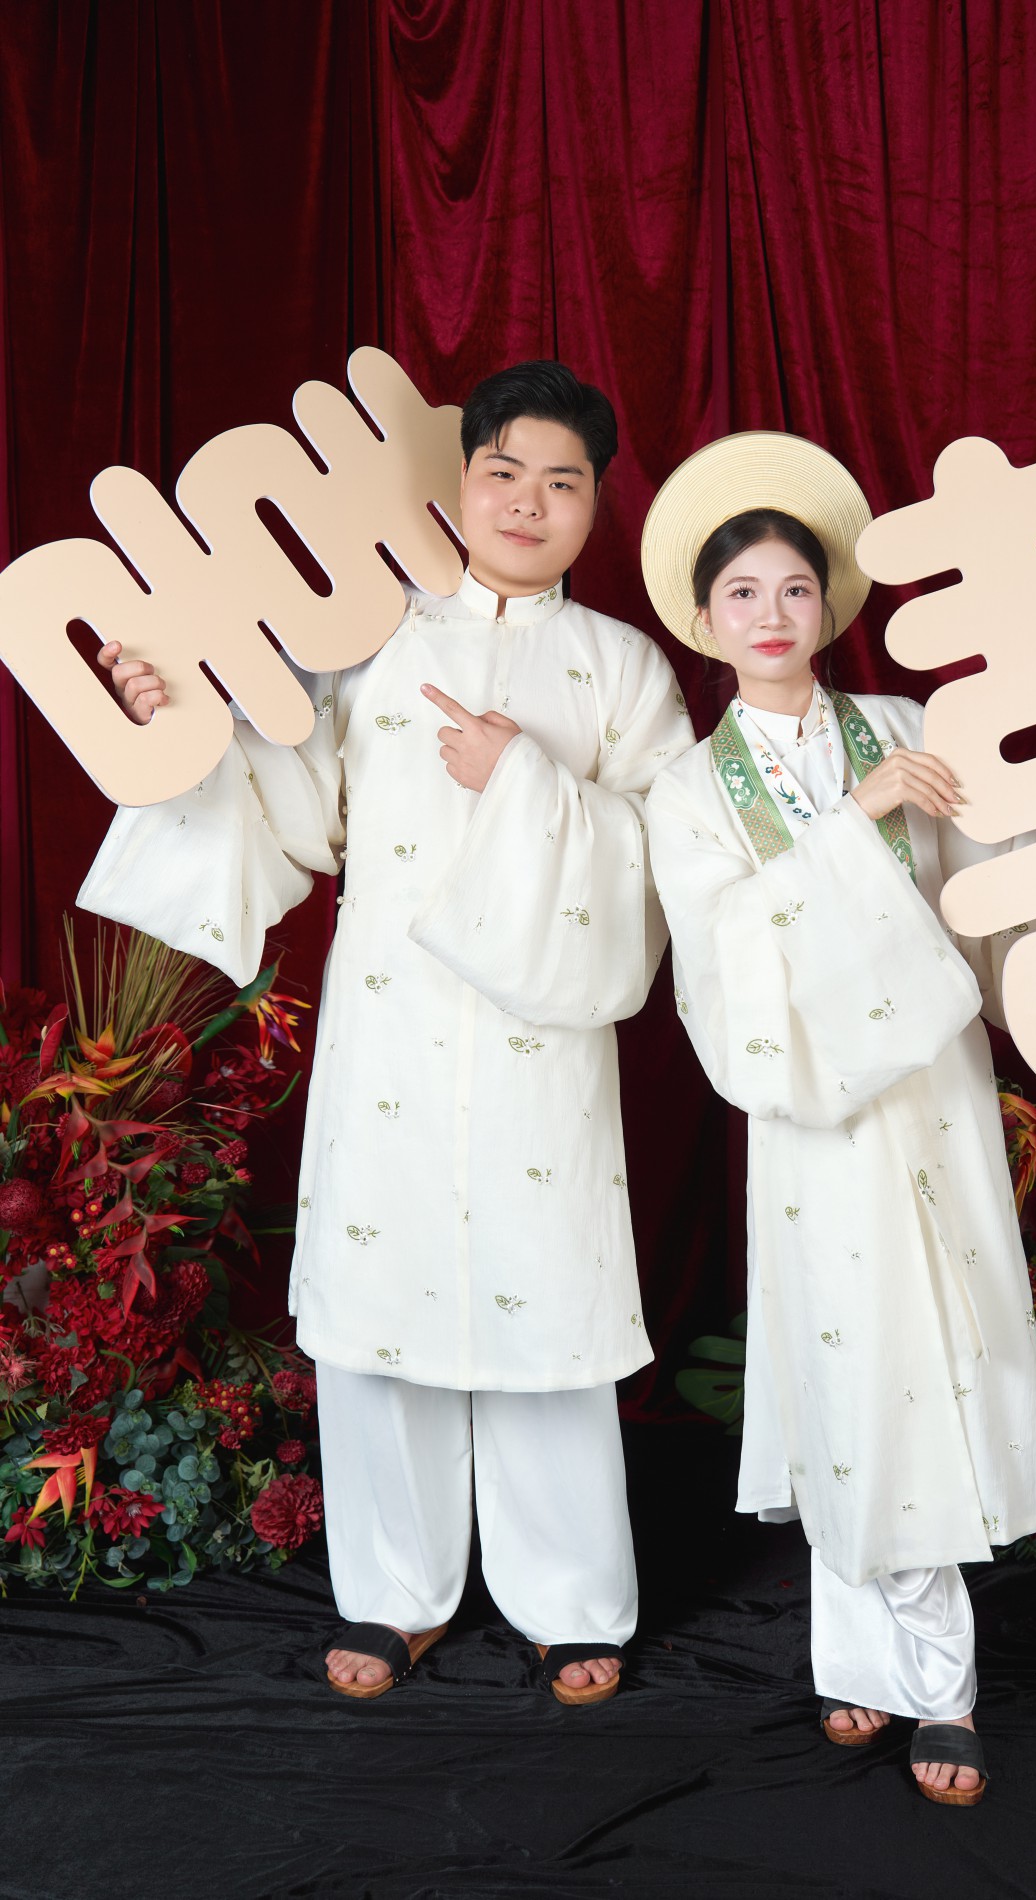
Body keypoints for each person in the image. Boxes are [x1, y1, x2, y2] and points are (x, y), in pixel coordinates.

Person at [80, 361, 694, 1705]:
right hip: (394, 1025)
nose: (526, 502)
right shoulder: (371, 640)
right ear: (460, 478)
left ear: (600, 503)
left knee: (545, 1307)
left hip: (542, 1045)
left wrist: (523, 776)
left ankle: (570, 1600)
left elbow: (667, 861)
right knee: (385, 1302)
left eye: (562, 481)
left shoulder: (625, 669)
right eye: (503, 472)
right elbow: (287, 798)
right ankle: (394, 1594)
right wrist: (172, 719)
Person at [640, 431, 1036, 1803]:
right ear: (705, 619)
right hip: (814, 1116)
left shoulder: (905, 729)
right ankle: (888, 1670)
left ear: (830, 603)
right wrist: (850, 825)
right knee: (846, 1360)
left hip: (935, 1093)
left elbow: (1012, 869)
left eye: (795, 588)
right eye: (742, 594)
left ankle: (925, 1679)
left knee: (929, 1357)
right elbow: (721, 959)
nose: (772, 614)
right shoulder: (687, 790)